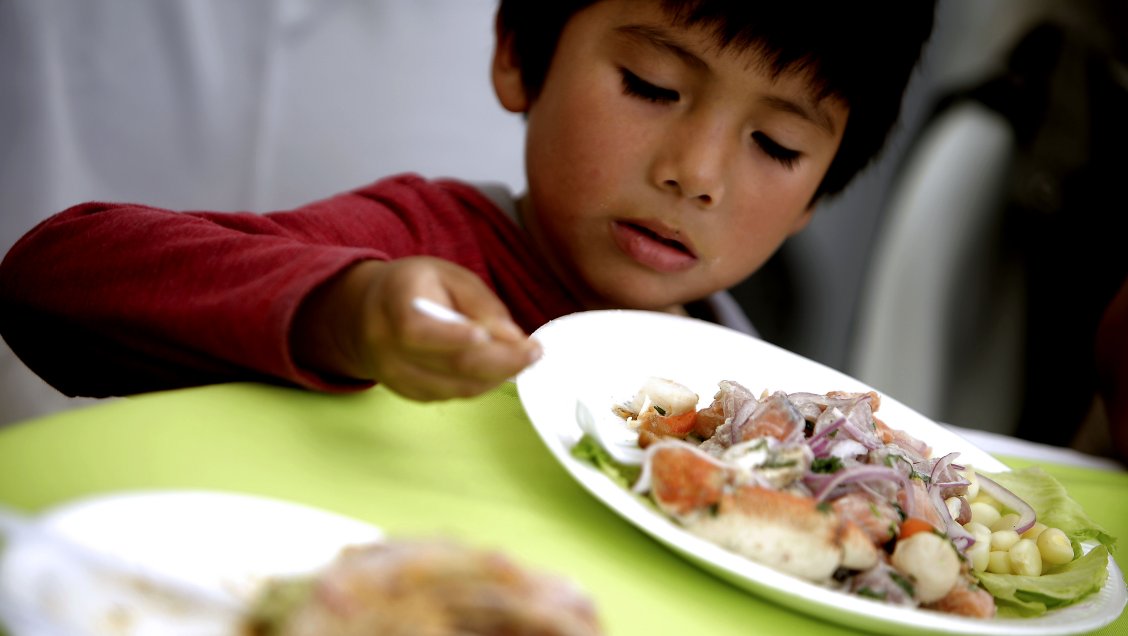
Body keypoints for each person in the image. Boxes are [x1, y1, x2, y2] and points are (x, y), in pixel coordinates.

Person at [0, 0, 936, 403]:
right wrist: (349, 313)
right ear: (517, 58)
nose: (696, 172)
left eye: (776, 145)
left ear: (819, 193)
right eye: (652, 84)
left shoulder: (758, 391)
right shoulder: (422, 252)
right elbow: (54, 276)